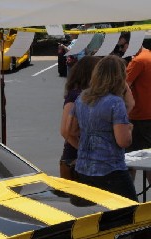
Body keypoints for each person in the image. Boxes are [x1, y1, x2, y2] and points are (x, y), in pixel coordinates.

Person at [65, 55, 137, 201]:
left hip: (84, 167)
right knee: (131, 212)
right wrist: (128, 129)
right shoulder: (115, 102)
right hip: (110, 169)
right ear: (119, 78)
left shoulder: (82, 97)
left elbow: (70, 130)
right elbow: (123, 141)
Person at [58, 56, 100, 179]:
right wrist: (85, 151)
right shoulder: (75, 95)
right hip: (74, 159)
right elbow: (66, 131)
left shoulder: (87, 94)